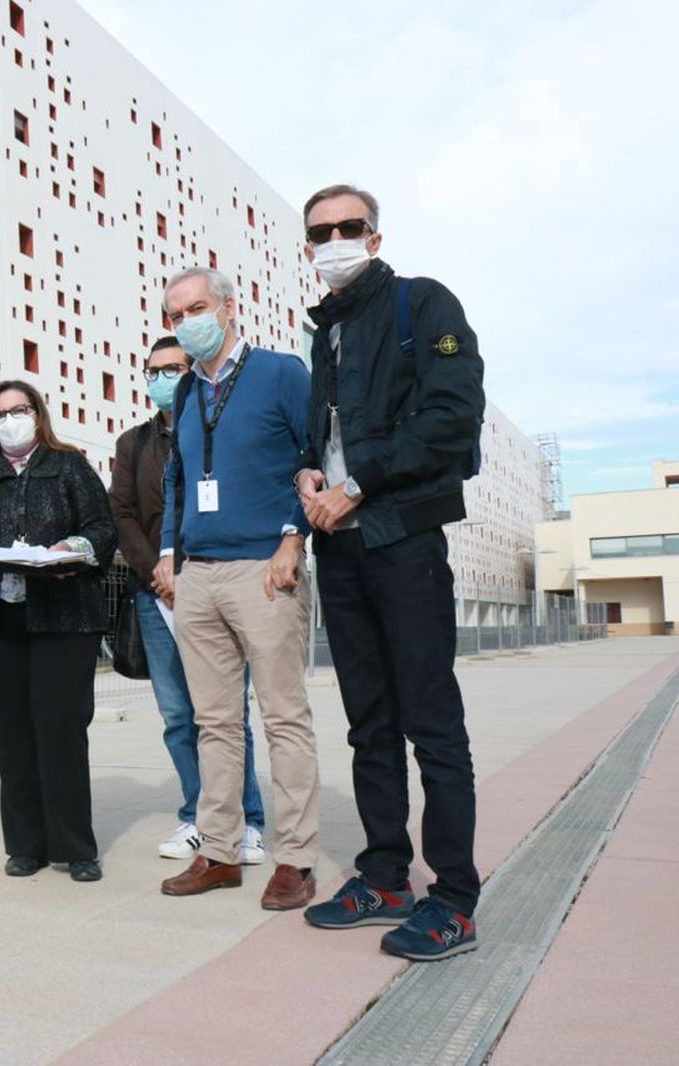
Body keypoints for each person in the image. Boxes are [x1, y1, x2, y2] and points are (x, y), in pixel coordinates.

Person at [294, 184, 484, 961]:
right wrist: (310, 476)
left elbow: (451, 418)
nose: (334, 239)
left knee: (430, 724)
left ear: (374, 236)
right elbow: (329, 438)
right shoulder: (325, 334)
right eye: (319, 232)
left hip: (402, 541)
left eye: (349, 227)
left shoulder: (423, 304)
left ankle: (457, 898)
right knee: (369, 724)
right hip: (339, 549)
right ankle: (384, 875)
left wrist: (357, 484)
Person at [153, 267, 320, 911]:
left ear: (228, 308)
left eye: (196, 307)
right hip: (199, 575)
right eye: (175, 314)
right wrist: (171, 553)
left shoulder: (280, 373)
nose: (186, 321)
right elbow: (179, 479)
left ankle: (296, 859)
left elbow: (314, 457)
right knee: (213, 722)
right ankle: (220, 850)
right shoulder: (184, 394)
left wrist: (292, 536)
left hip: (265, 567)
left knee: (283, 716)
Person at [0, 381, 118, 882]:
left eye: (21, 409)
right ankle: (24, 845)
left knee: (60, 728)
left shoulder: (69, 464)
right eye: (1, 413)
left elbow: (103, 528)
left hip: (63, 616)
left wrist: (73, 548)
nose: (12, 420)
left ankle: (75, 847)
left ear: (38, 414)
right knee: (12, 733)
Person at [109, 337, 267, 865]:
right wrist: (157, 569)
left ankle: (248, 820)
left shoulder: (217, 427)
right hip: (157, 595)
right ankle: (197, 816)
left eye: (174, 369)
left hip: (216, 584)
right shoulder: (133, 444)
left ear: (194, 370)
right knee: (178, 715)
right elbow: (123, 514)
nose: (163, 379)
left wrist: (187, 569)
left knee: (225, 713)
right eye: (153, 370)